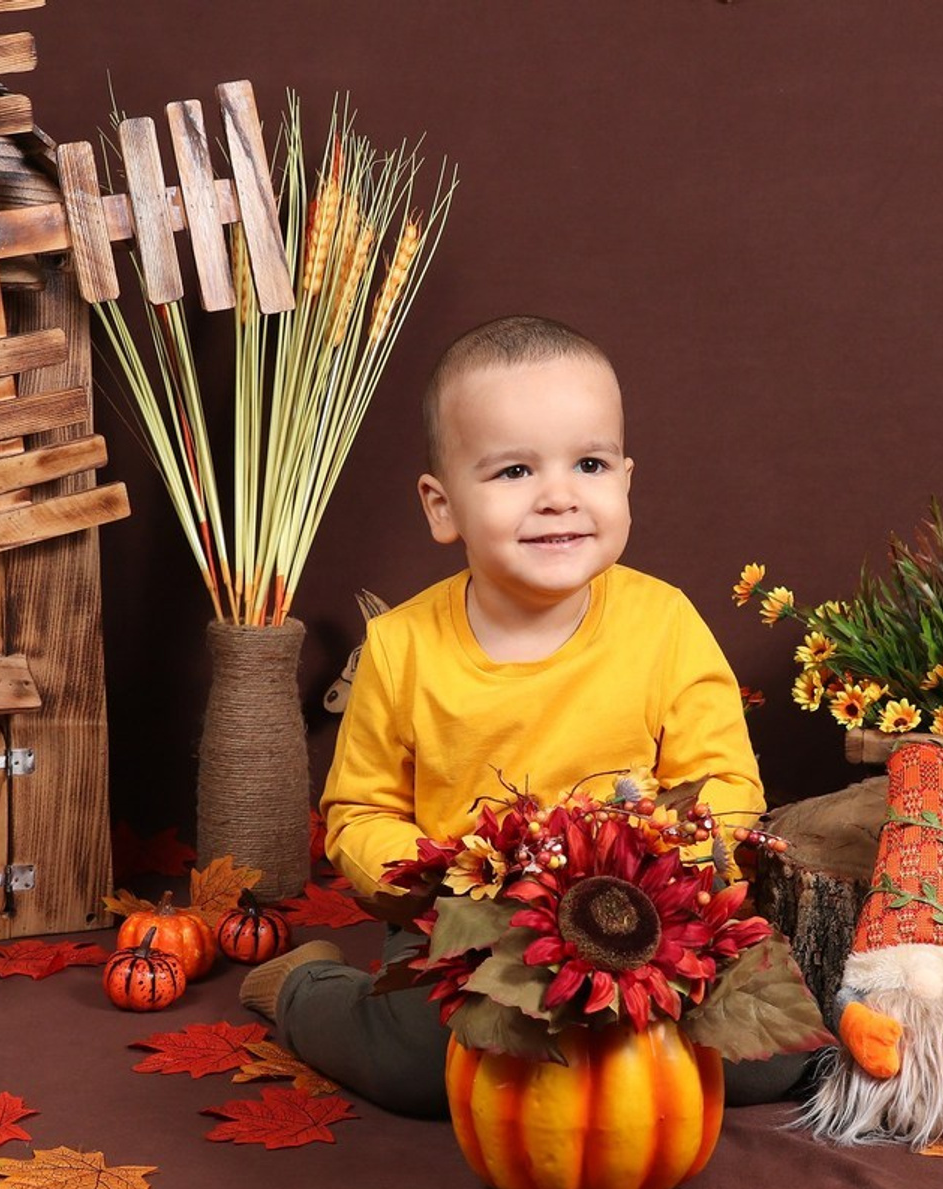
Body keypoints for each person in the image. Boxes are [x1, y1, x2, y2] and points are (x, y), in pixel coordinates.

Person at [241, 315, 799, 1115]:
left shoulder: (664, 621)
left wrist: (673, 861)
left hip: (640, 920)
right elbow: (358, 814)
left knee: (763, 1057)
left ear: (626, 481)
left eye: (590, 463)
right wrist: (442, 883)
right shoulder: (402, 648)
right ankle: (303, 988)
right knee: (420, 1063)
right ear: (443, 507)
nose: (559, 497)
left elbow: (724, 782)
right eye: (511, 472)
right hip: (475, 926)